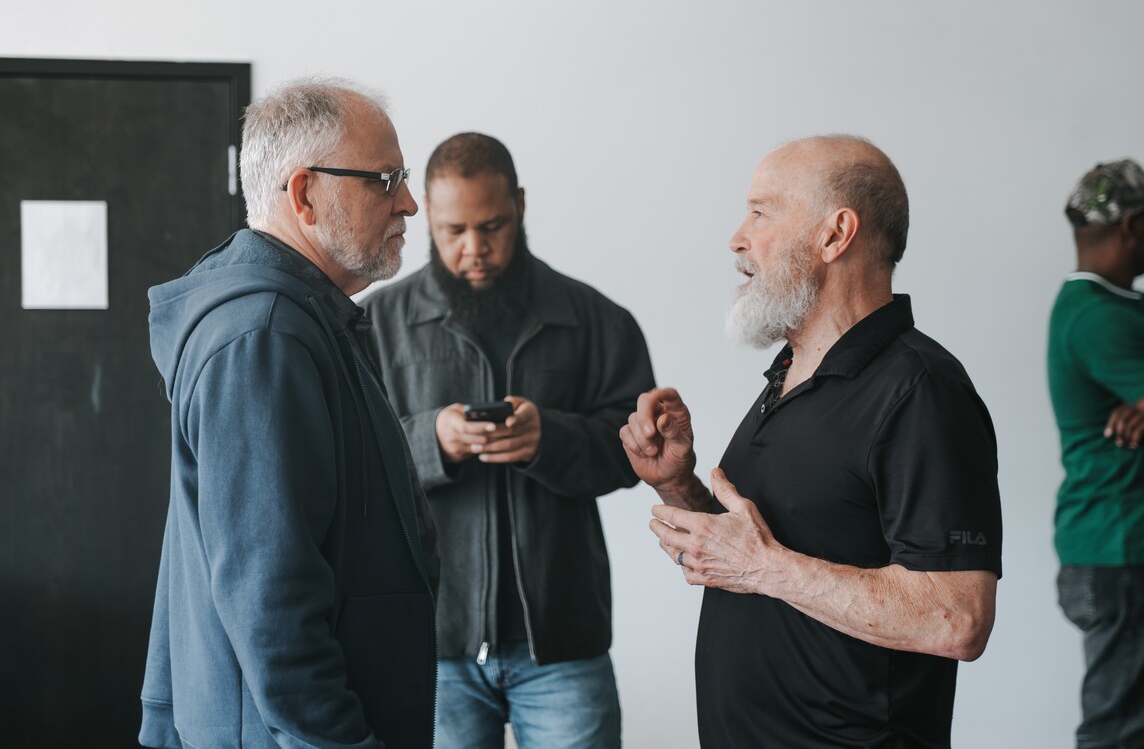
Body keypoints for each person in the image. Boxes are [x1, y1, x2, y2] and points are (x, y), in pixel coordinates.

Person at [620, 135, 1003, 748]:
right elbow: (758, 553)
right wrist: (677, 483)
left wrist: (764, 567)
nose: (737, 238)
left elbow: (957, 618)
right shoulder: (791, 373)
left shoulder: (921, 391)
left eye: (761, 212)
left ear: (834, 235)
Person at [139, 77, 438, 749]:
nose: (409, 202)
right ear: (304, 193)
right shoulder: (265, 336)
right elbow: (270, 598)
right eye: (385, 180)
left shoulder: (294, 321)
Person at [361, 132, 654, 749]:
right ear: (426, 218)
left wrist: (551, 437)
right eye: (452, 231)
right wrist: (430, 440)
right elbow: (347, 463)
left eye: (492, 226)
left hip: (563, 644)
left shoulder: (597, 320)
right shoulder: (378, 325)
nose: (474, 249)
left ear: (519, 205)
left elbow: (639, 455)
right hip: (431, 645)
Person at [1048, 159, 1144, 749]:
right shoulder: (1099, 317)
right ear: (1132, 228)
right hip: (1119, 549)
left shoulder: (1116, 307)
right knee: (1119, 733)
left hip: (1116, 547)